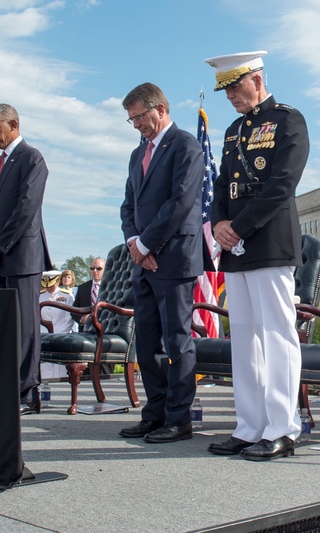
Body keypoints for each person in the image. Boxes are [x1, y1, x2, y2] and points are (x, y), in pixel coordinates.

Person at [204, 51, 310, 462]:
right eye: (226, 89)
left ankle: (283, 428)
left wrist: (239, 227)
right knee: (244, 338)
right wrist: (218, 225)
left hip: (268, 242)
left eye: (235, 86)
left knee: (277, 335)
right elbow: (220, 186)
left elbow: (283, 182)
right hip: (234, 247)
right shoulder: (233, 131)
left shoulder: (289, 120)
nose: (230, 95)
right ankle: (249, 427)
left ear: (257, 80)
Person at [118, 82, 204, 443]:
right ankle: (153, 413)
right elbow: (128, 207)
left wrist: (149, 243)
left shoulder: (185, 144)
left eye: (139, 116)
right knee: (147, 341)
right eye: (131, 119)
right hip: (144, 262)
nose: (136, 124)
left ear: (161, 109)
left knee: (176, 341)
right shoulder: (138, 154)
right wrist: (136, 244)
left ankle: (178, 418)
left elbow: (180, 201)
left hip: (174, 259)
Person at [0, 103, 53, 416]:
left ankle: (27, 393)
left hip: (22, 255)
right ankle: (2, 387)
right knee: (2, 324)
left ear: (12, 124)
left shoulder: (31, 158)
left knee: (24, 326)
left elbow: (26, 207)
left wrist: (0, 245)